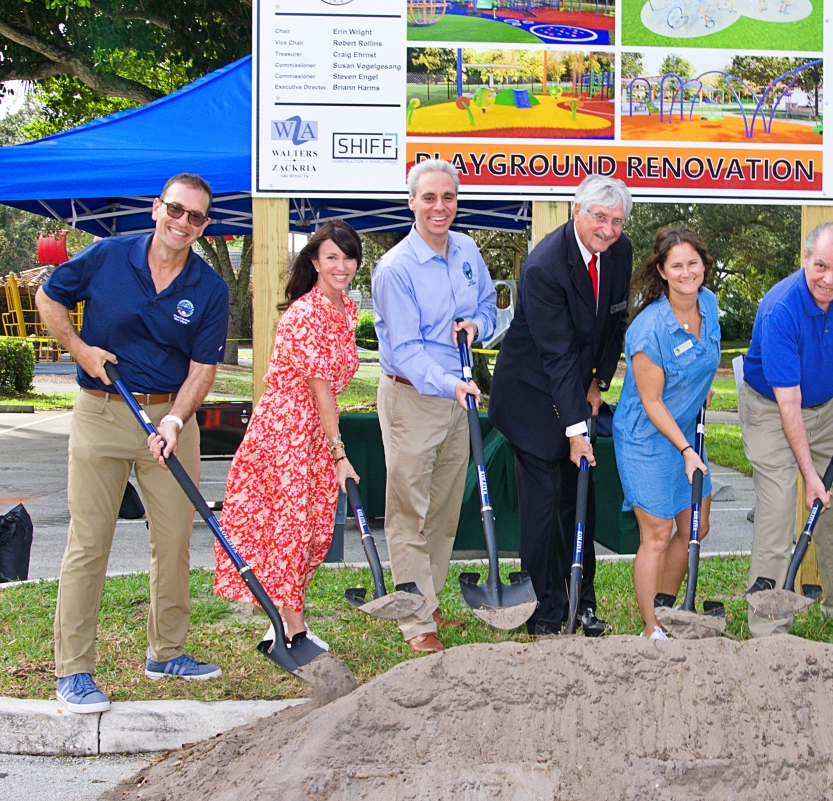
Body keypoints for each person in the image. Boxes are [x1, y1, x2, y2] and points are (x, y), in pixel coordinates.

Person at [35, 173, 229, 714]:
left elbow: (203, 368)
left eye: (195, 217)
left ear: (204, 226)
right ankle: (74, 670)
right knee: (89, 542)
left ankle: (167, 651)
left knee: (173, 541)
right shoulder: (107, 257)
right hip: (103, 411)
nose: (182, 222)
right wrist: (80, 349)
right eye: (175, 209)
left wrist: (176, 421)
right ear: (156, 209)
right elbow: (47, 297)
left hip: (170, 417)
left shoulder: (209, 288)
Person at [488, 174, 633, 635]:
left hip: (575, 388)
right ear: (576, 211)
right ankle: (545, 611)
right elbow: (557, 356)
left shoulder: (619, 253)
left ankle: (581, 602)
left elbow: (615, 322)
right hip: (531, 396)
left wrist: (599, 383)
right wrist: (575, 432)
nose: (608, 229)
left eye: (617, 220)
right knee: (545, 507)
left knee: (580, 503)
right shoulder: (545, 266)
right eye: (599, 218)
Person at [213, 220, 362, 651]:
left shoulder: (346, 310)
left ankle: (282, 616)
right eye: (331, 256)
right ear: (314, 261)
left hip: (315, 431)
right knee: (293, 529)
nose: (341, 265)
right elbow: (319, 390)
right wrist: (339, 455)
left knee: (316, 530)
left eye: (348, 257)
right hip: (287, 431)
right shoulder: (304, 314)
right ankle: (290, 628)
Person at [373, 159, 496, 654]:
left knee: (444, 510)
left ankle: (430, 597)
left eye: (448, 197)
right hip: (414, 396)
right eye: (429, 198)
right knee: (408, 510)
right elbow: (404, 349)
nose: (439, 207)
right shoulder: (395, 268)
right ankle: (415, 621)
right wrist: (451, 384)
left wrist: (477, 327)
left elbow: (488, 304)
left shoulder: (467, 249)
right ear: (412, 203)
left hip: (457, 396)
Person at [739, 221, 833, 636]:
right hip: (772, 408)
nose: (829, 279)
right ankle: (769, 624)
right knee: (779, 507)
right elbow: (788, 404)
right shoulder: (781, 308)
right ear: (805, 259)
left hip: (830, 404)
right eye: (820, 266)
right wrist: (810, 476)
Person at [613, 227, 720, 639]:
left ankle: (667, 609)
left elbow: (704, 356)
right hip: (648, 439)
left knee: (696, 526)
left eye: (693, 263)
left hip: (685, 432)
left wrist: (700, 383)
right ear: (661, 271)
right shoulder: (648, 330)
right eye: (676, 265)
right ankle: (651, 628)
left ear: (703, 266)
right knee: (656, 534)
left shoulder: (708, 304)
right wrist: (685, 450)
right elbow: (652, 401)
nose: (686, 271)